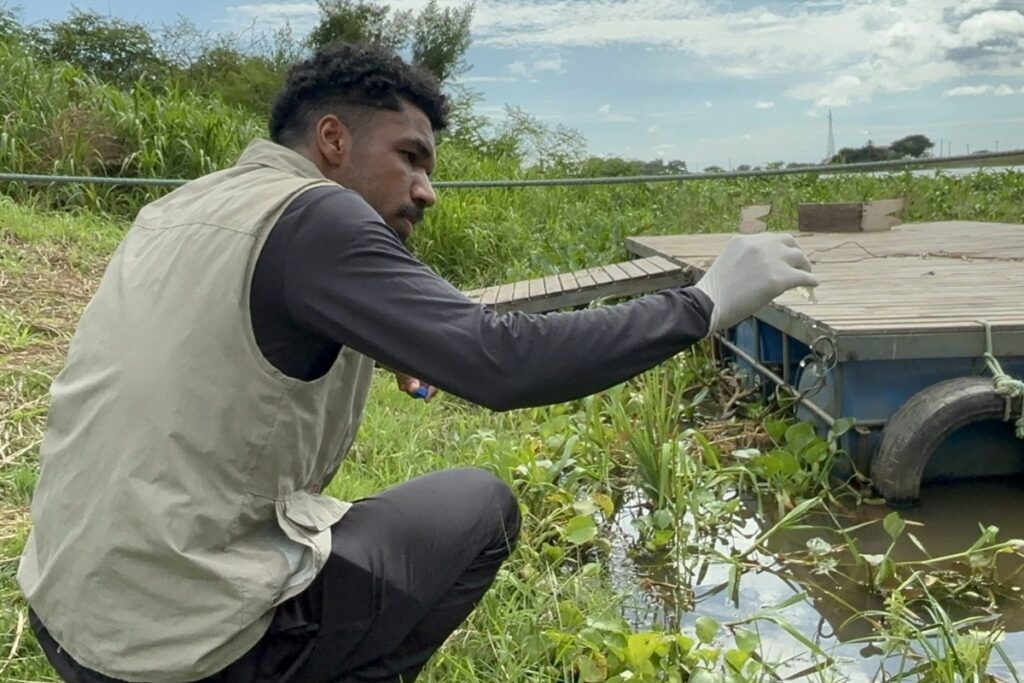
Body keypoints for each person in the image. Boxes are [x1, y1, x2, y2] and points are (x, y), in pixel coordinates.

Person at [18, 42, 818, 683]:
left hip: (71, 612)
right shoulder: (321, 216)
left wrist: (381, 334)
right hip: (179, 648)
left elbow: (233, 322)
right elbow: (504, 363)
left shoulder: (186, 203)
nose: (427, 189)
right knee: (481, 503)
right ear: (332, 140)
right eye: (410, 156)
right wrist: (705, 302)